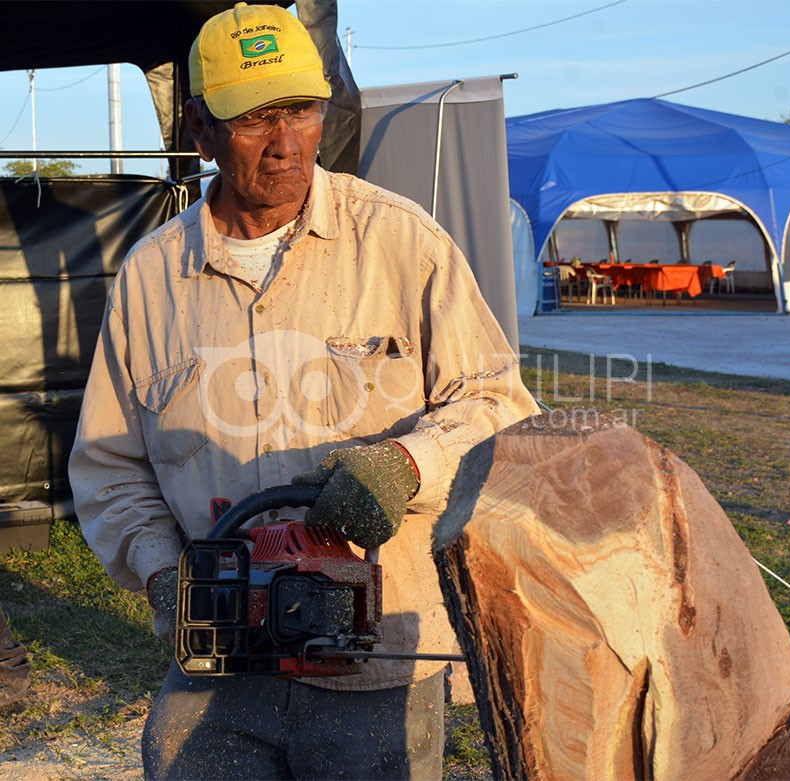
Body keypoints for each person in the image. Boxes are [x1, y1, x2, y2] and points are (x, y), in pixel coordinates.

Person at [69, 3, 539, 779]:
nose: (286, 143)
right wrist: (163, 573)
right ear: (200, 129)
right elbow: (110, 464)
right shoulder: (152, 279)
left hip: (378, 662)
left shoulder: (400, 241)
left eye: (302, 111)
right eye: (254, 119)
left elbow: (500, 406)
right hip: (219, 665)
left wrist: (407, 464)